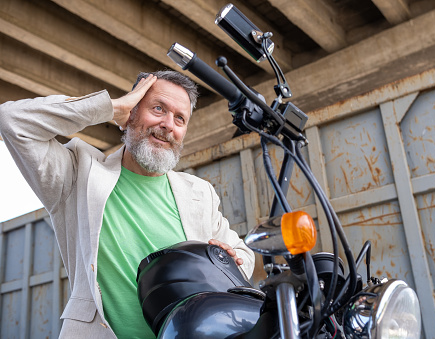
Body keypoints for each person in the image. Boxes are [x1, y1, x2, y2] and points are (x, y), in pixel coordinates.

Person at [0, 70, 255, 339]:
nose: (168, 124)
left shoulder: (199, 192)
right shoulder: (78, 174)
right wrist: (111, 108)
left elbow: (243, 254)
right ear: (131, 113)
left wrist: (228, 259)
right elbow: (12, 121)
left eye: (180, 118)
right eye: (158, 109)